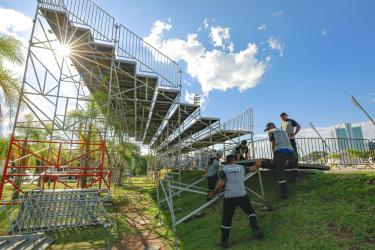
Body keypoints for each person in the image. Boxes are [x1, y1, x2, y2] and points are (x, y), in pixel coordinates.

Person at [208, 155, 263, 248]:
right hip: (242, 195)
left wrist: (213, 192)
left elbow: (221, 183)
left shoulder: (224, 170)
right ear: (236, 160)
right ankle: (256, 230)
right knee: (250, 212)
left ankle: (224, 241)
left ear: (227, 161)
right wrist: (258, 165)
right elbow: (253, 168)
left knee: (227, 218)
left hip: (229, 197)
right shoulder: (241, 167)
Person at [264, 122, 298, 198]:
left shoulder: (271, 132)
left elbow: (273, 144)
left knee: (280, 172)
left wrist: (273, 157)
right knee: (293, 162)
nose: (268, 130)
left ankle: (284, 193)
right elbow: (287, 142)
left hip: (280, 151)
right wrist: (287, 159)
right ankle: (295, 177)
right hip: (291, 152)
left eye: (268, 128)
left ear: (270, 127)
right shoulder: (283, 131)